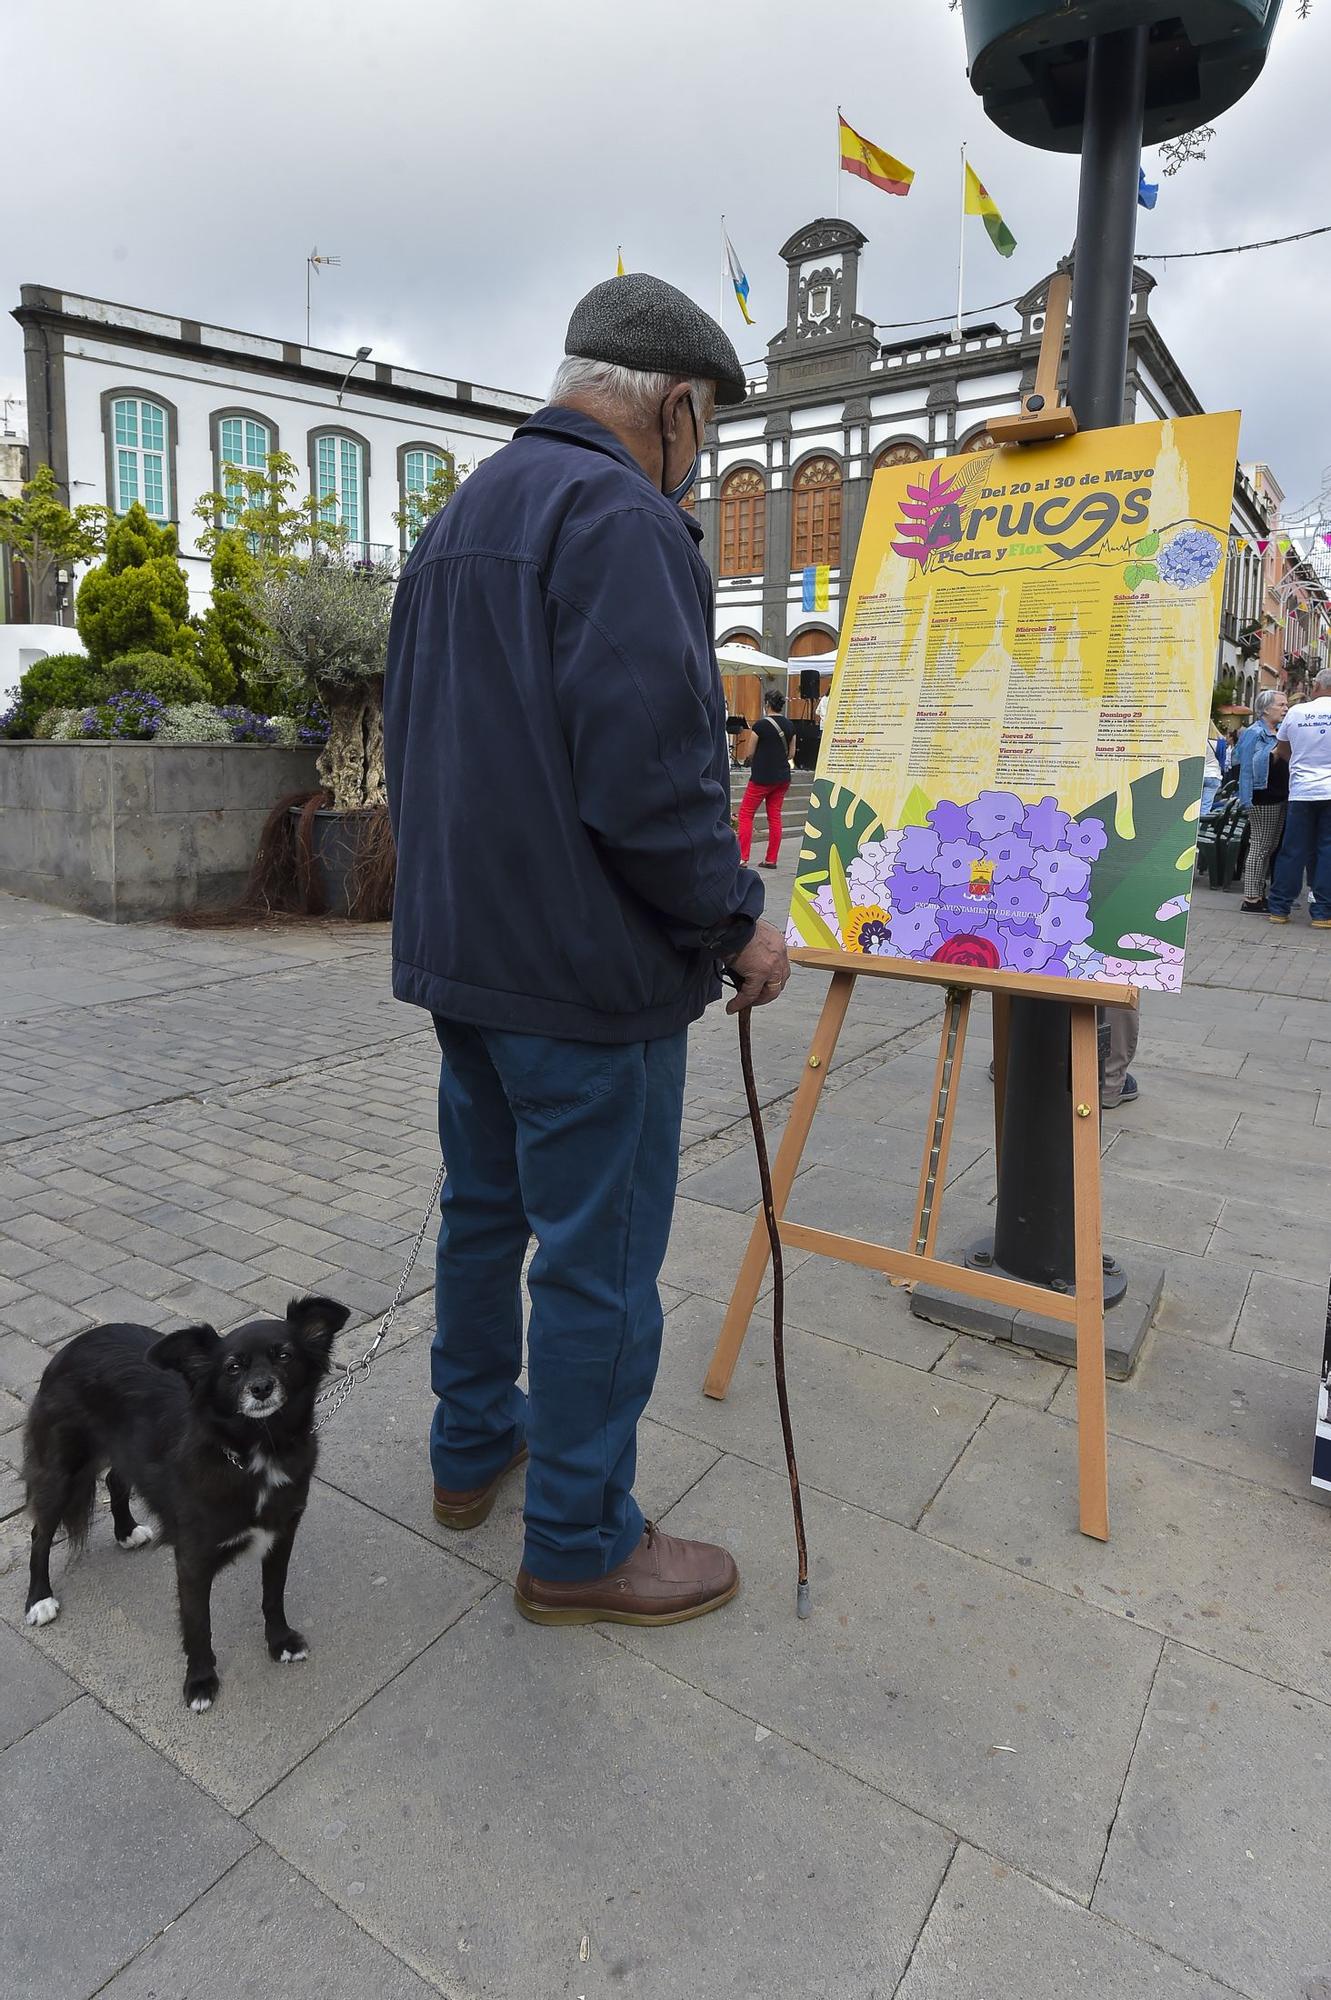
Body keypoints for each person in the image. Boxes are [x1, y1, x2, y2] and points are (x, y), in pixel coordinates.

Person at [383, 272, 790, 1629]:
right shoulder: (622, 515)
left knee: (484, 1218)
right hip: (581, 979)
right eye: (706, 426)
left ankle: (466, 1453)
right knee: (596, 1261)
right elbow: (651, 779)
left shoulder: (460, 515)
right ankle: (574, 1537)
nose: (700, 457)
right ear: (676, 405)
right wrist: (737, 915)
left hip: (468, 960)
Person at [1268, 666, 1331, 928]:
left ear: (1316, 686)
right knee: (1327, 851)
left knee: (1293, 850)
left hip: (1302, 792)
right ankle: (1322, 913)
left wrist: (1301, 763)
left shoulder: (1296, 712)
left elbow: (1281, 750)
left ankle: (1280, 909)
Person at [1235, 688, 1289, 912]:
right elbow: (1246, 765)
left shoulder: (1276, 731)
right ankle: (1251, 898)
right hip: (1262, 797)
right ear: (1266, 709)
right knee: (1259, 846)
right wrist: (1274, 750)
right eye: (1281, 705)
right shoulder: (1254, 732)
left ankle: (1258, 893)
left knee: (1270, 846)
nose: (1286, 708)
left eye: (1286, 704)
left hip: (1277, 795)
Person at [737, 689, 796, 868]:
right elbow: (791, 754)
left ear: (767, 704)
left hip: (762, 777)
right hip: (782, 778)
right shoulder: (790, 726)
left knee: (746, 814)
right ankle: (771, 859)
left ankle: (742, 857)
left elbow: (750, 752)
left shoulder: (760, 726)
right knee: (775, 817)